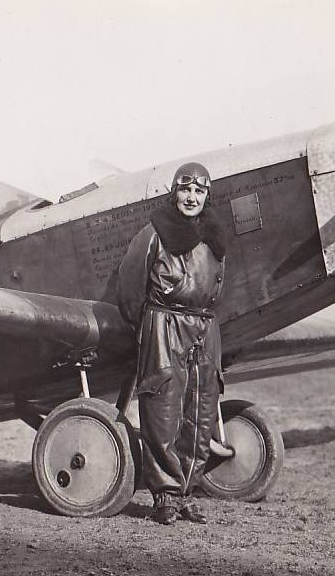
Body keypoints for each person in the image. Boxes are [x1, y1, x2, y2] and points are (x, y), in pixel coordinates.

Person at [117, 162, 227, 525]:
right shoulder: (153, 234)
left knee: (200, 411)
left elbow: (217, 286)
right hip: (163, 324)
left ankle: (185, 494)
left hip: (204, 328)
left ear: (207, 195)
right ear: (174, 193)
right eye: (185, 190)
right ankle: (164, 496)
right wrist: (148, 328)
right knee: (163, 412)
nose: (191, 197)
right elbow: (130, 290)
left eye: (199, 191)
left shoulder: (215, 238)